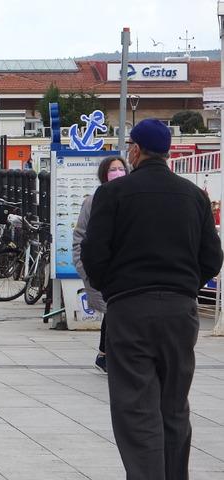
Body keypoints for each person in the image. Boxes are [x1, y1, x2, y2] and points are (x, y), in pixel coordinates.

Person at [81, 119, 223, 480]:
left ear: (134, 150)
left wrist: (112, 288)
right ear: (169, 151)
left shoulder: (112, 194)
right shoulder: (194, 196)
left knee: (136, 406)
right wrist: (188, 286)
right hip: (180, 310)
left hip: (130, 307)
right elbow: (212, 256)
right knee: (173, 405)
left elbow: (94, 252)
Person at [72, 156, 128, 374]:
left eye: (120, 168)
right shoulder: (93, 201)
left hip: (125, 271)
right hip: (104, 273)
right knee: (113, 314)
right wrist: (84, 269)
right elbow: (81, 238)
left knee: (116, 315)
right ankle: (107, 355)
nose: (117, 172)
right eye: (112, 169)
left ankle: (109, 355)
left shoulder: (132, 198)